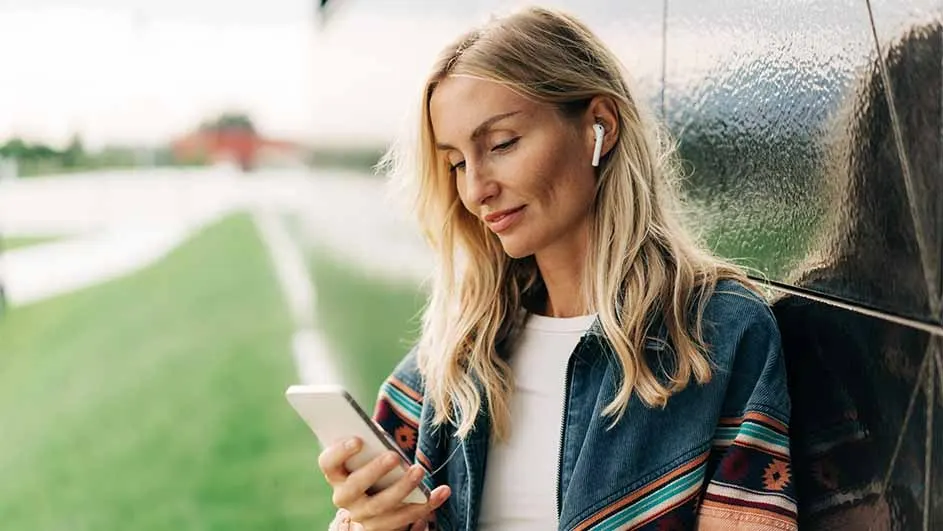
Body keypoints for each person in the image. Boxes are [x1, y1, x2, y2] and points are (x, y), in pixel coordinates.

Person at [318, 7, 796, 530]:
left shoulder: (717, 335)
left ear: (601, 125)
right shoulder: (452, 361)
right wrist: (366, 523)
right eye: (456, 162)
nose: (476, 189)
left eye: (501, 144)